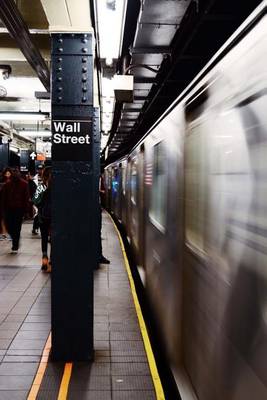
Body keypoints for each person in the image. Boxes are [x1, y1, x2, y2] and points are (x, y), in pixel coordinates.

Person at [1, 169, 29, 253]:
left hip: (17, 209)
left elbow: (26, 198)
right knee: (13, 227)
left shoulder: (24, 184)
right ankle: (15, 240)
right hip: (10, 208)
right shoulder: (7, 184)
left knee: (15, 227)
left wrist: (26, 210)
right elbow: (3, 198)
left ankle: (15, 245)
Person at [33, 167, 51, 272]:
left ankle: (44, 259)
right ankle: (53, 261)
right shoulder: (57, 187)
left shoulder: (41, 187)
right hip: (55, 218)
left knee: (44, 238)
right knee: (54, 238)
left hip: (43, 217)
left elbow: (35, 200)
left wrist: (41, 205)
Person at [98, 172, 110, 265]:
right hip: (95, 208)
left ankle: (99, 255)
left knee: (98, 232)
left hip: (97, 208)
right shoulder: (97, 179)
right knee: (97, 232)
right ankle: (98, 255)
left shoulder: (99, 179)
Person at [32, 165, 44, 235]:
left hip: (44, 198)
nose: (40, 170)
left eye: (41, 169)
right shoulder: (34, 179)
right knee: (37, 213)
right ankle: (35, 228)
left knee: (40, 213)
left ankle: (36, 228)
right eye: (39, 169)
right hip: (37, 198)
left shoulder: (46, 177)